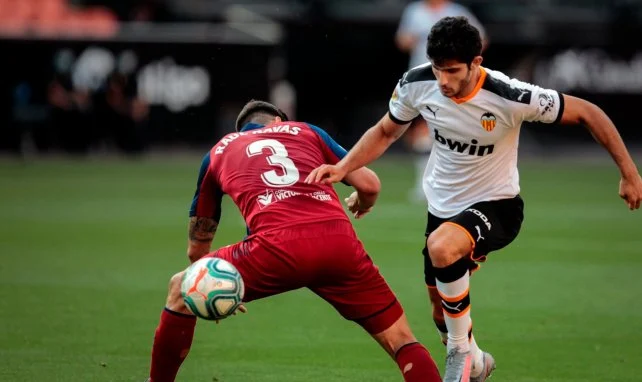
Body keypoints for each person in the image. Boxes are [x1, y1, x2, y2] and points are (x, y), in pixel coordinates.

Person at [307, 16, 642, 382]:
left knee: (442, 248)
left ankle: (461, 352)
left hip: (497, 206)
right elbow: (386, 131)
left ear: (476, 63)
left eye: (452, 71)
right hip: (442, 208)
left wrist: (629, 173)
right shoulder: (417, 83)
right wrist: (342, 168)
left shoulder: (509, 96)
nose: (444, 81)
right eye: (438, 69)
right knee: (439, 309)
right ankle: (478, 361)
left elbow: (589, 112)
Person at [146, 100, 443, 382]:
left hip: (274, 248)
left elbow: (197, 249)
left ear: (240, 131)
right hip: (337, 243)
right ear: (278, 121)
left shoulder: (218, 151)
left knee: (179, 288)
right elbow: (370, 184)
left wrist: (218, 287)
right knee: (401, 339)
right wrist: (363, 203)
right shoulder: (305, 130)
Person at [396, 0, 487, 202]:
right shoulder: (415, 11)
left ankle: (458, 183)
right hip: (423, 82)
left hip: (452, 83)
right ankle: (423, 183)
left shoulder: (457, 12)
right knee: (421, 132)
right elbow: (402, 41)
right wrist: (417, 38)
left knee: (453, 132)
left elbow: (481, 39)